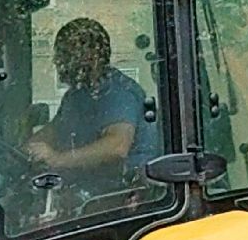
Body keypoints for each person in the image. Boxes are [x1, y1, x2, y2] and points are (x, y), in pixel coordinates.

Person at [24, 17, 160, 196]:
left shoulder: (118, 92)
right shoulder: (77, 95)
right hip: (91, 191)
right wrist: (27, 149)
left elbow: (117, 146)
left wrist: (57, 159)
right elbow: (54, 130)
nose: (57, 61)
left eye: (65, 54)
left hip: (127, 193)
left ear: (91, 56)